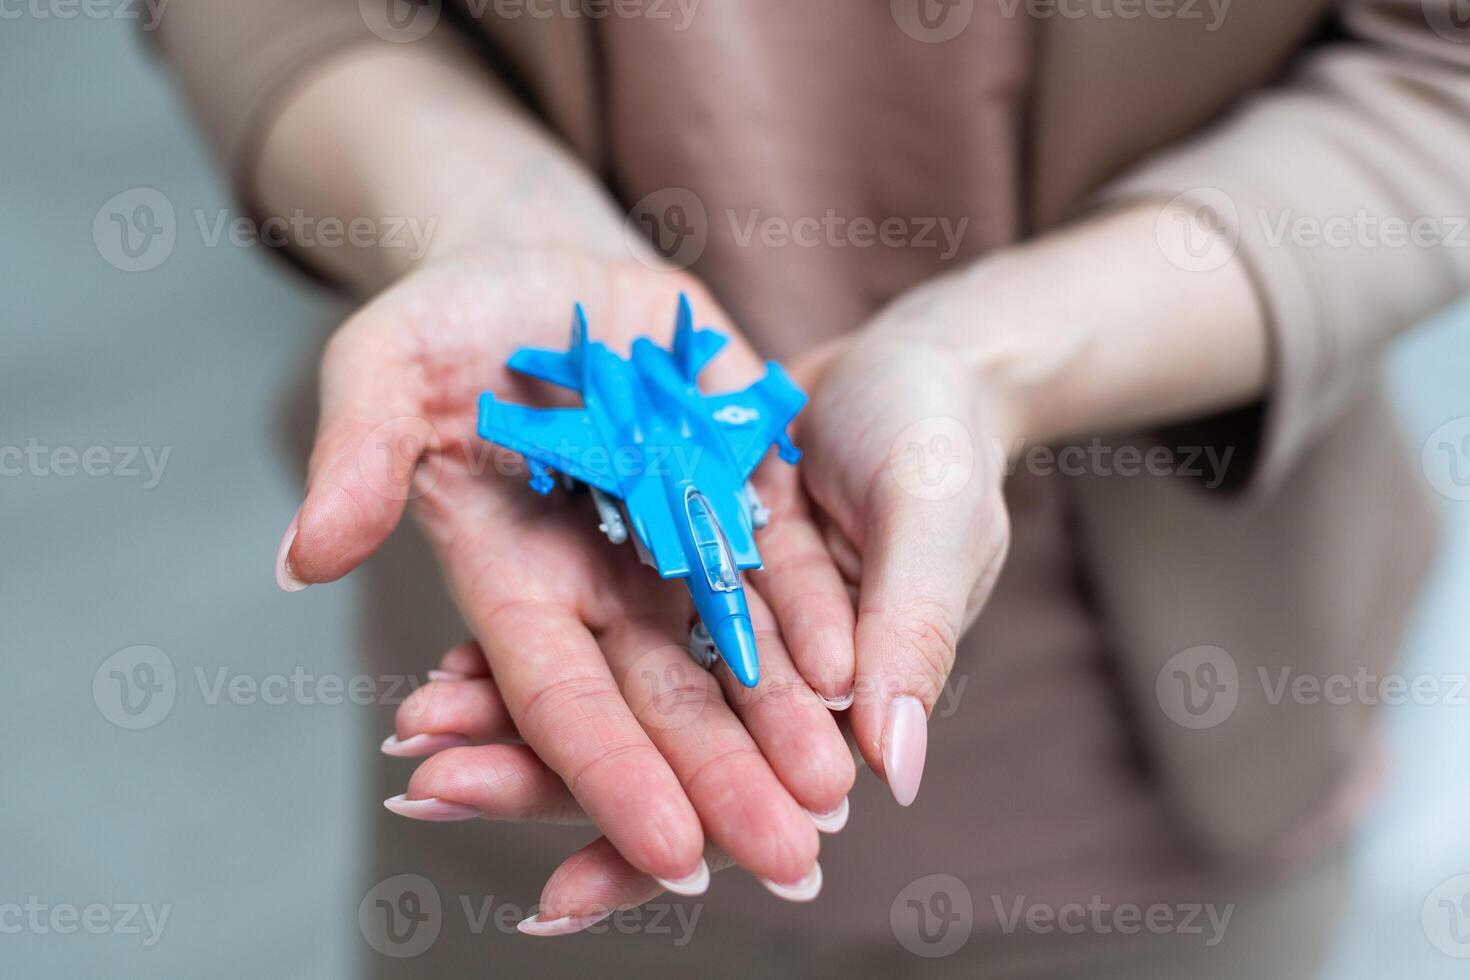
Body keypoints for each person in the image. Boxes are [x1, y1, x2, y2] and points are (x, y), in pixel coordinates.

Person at [148, 1, 1463, 975]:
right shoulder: (635, 480)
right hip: (539, 757)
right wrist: (486, 220)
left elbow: (1439, 65)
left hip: (1188, 769)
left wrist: (985, 363)